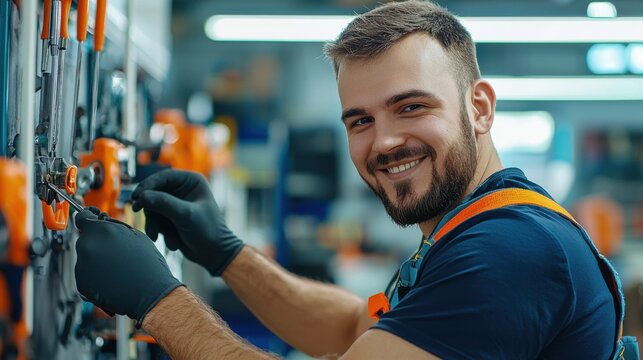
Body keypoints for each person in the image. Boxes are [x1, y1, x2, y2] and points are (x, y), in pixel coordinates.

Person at [74, 1, 624, 359]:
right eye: (360, 120)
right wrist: (226, 254)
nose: (383, 142)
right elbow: (350, 333)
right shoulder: (475, 226)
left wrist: (159, 301)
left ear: (478, 108)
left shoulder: (512, 250)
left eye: (410, 107)